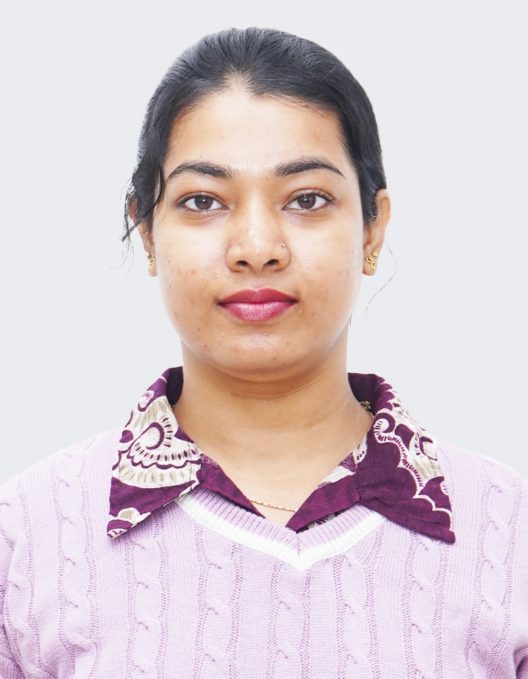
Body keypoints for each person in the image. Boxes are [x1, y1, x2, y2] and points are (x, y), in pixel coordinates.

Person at [1, 26, 527, 678]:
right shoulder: (28, 534)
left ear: (372, 229)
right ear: (147, 230)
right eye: (202, 201)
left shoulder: (509, 529)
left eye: (307, 199)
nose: (256, 247)